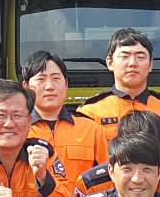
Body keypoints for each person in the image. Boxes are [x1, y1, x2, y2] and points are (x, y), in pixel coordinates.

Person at [23, 48, 102, 187]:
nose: (49, 86)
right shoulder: (17, 130)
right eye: (41, 79)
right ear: (26, 87)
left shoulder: (91, 129)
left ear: (66, 84)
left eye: (56, 79)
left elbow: (108, 178)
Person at [79, 28, 160, 137]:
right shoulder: (90, 112)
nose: (132, 63)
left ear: (150, 65)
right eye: (124, 56)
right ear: (110, 63)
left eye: (140, 57)